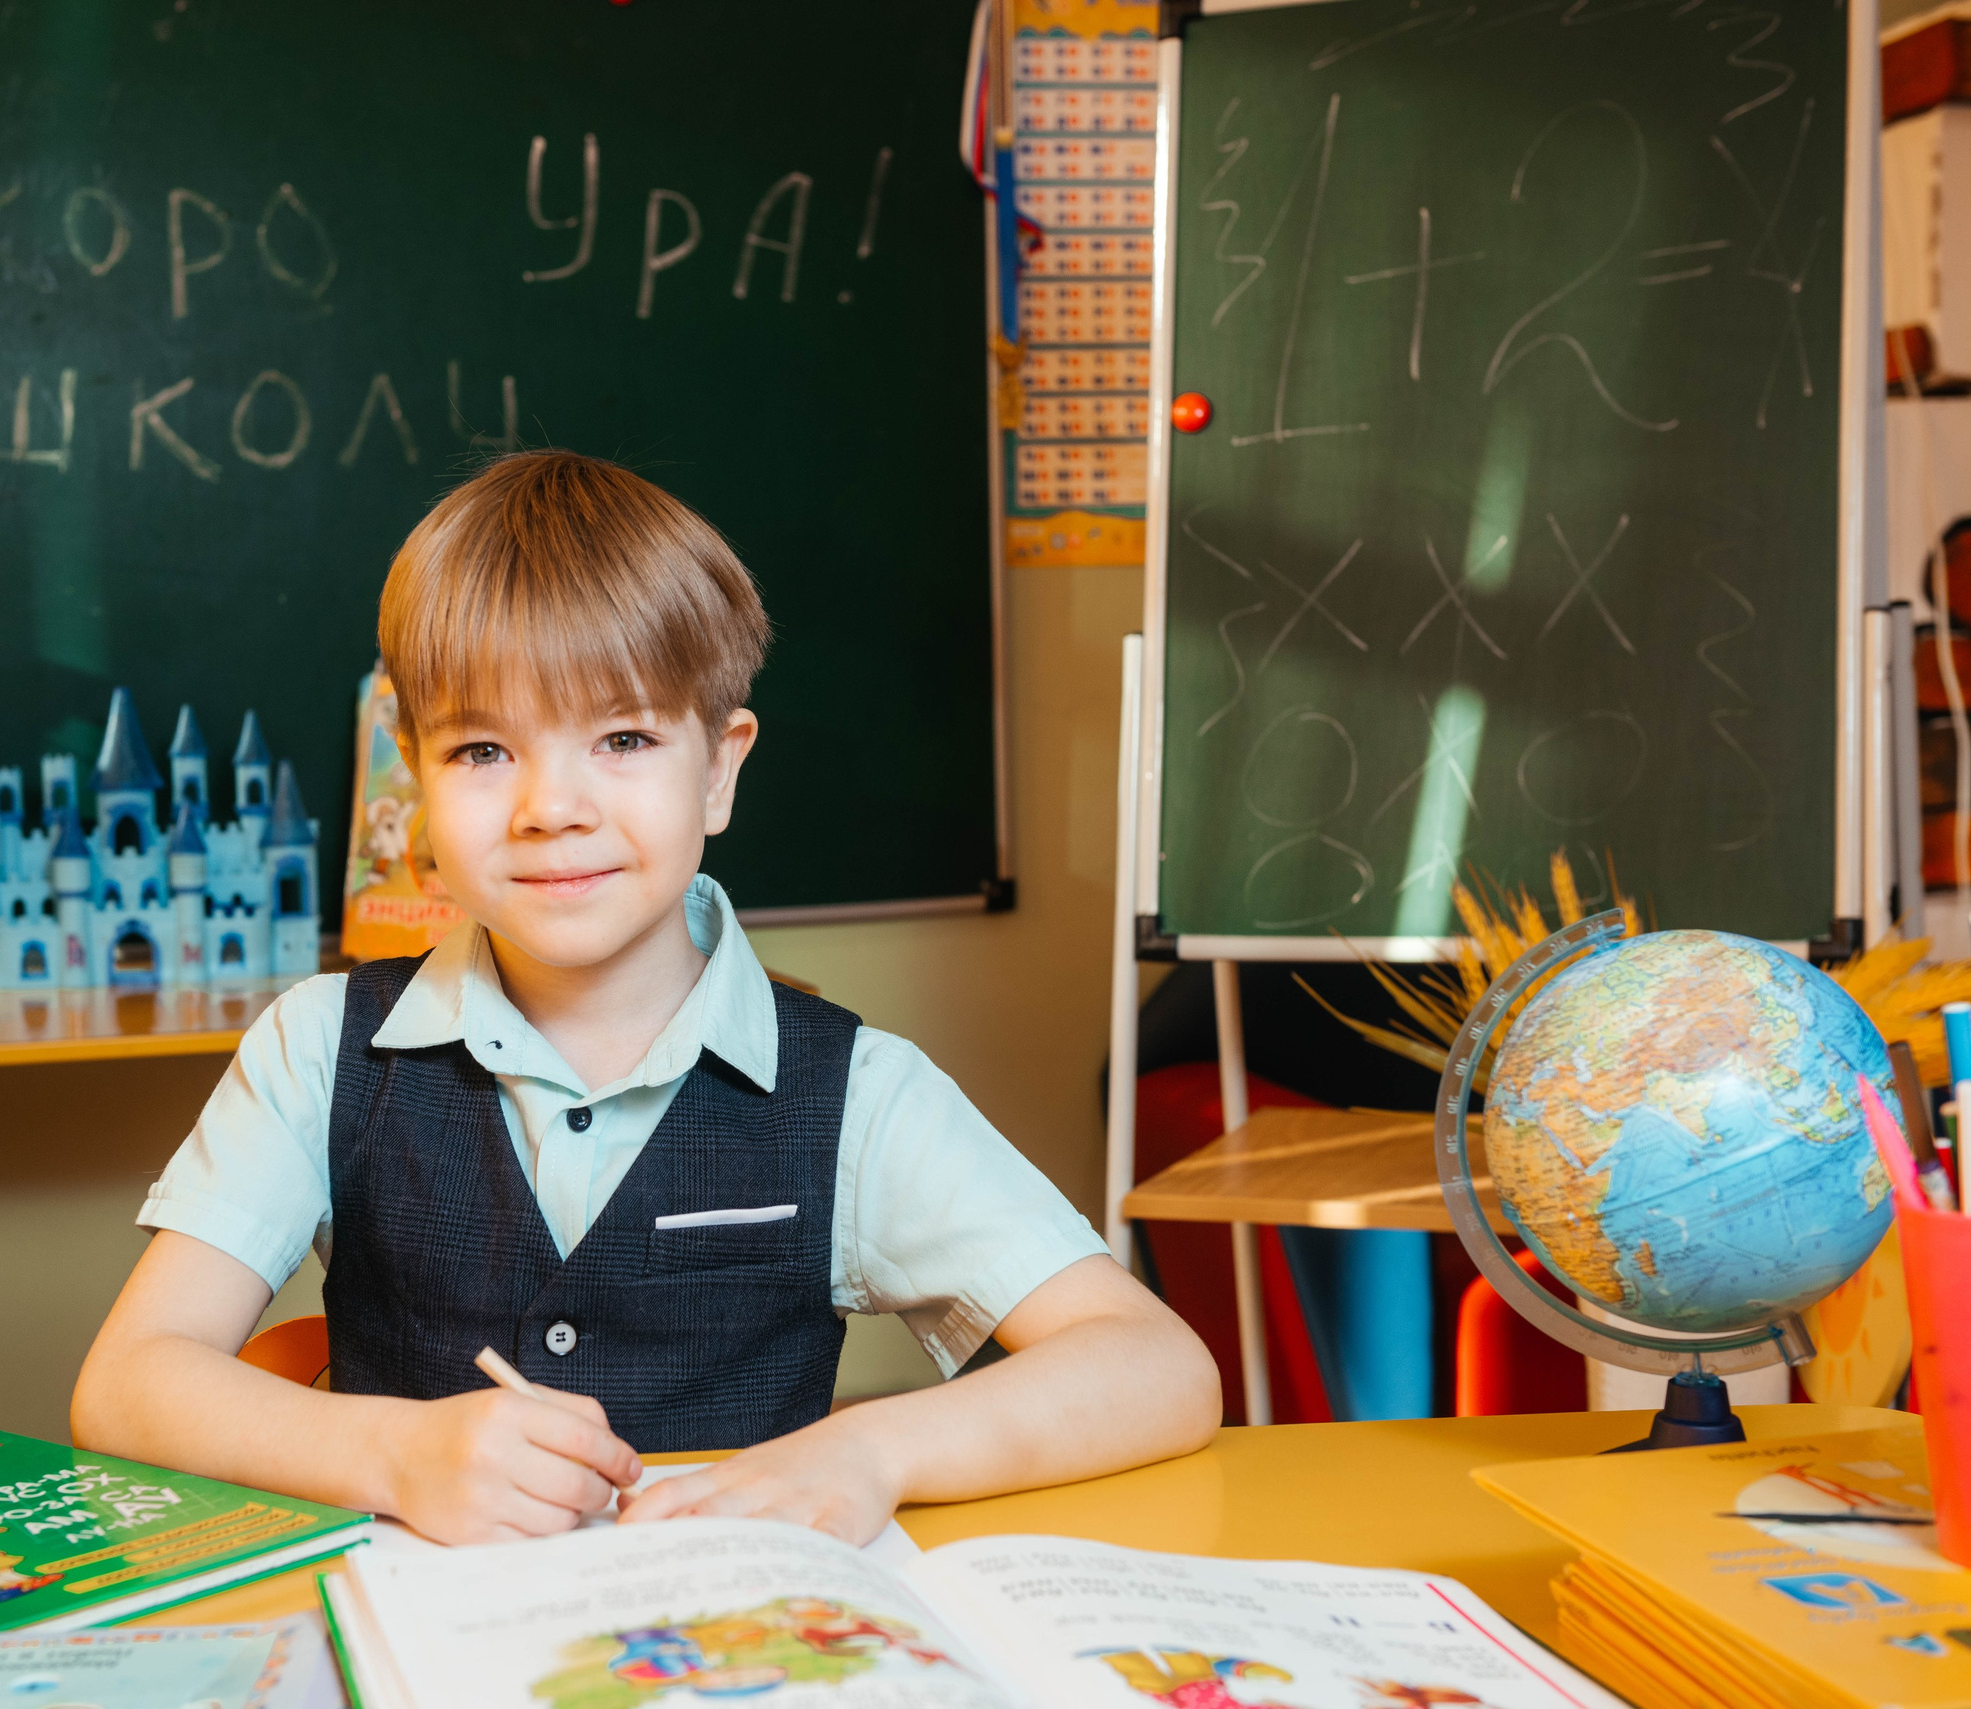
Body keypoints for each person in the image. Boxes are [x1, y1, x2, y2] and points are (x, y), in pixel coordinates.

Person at [72, 450, 1219, 1545]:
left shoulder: (854, 1093)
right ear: (411, 768)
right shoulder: (319, 1047)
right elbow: (125, 1381)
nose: (550, 807)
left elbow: (1157, 1365)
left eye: (621, 736)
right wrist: (394, 1451)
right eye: (481, 751)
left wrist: (869, 1450)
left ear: (718, 767)